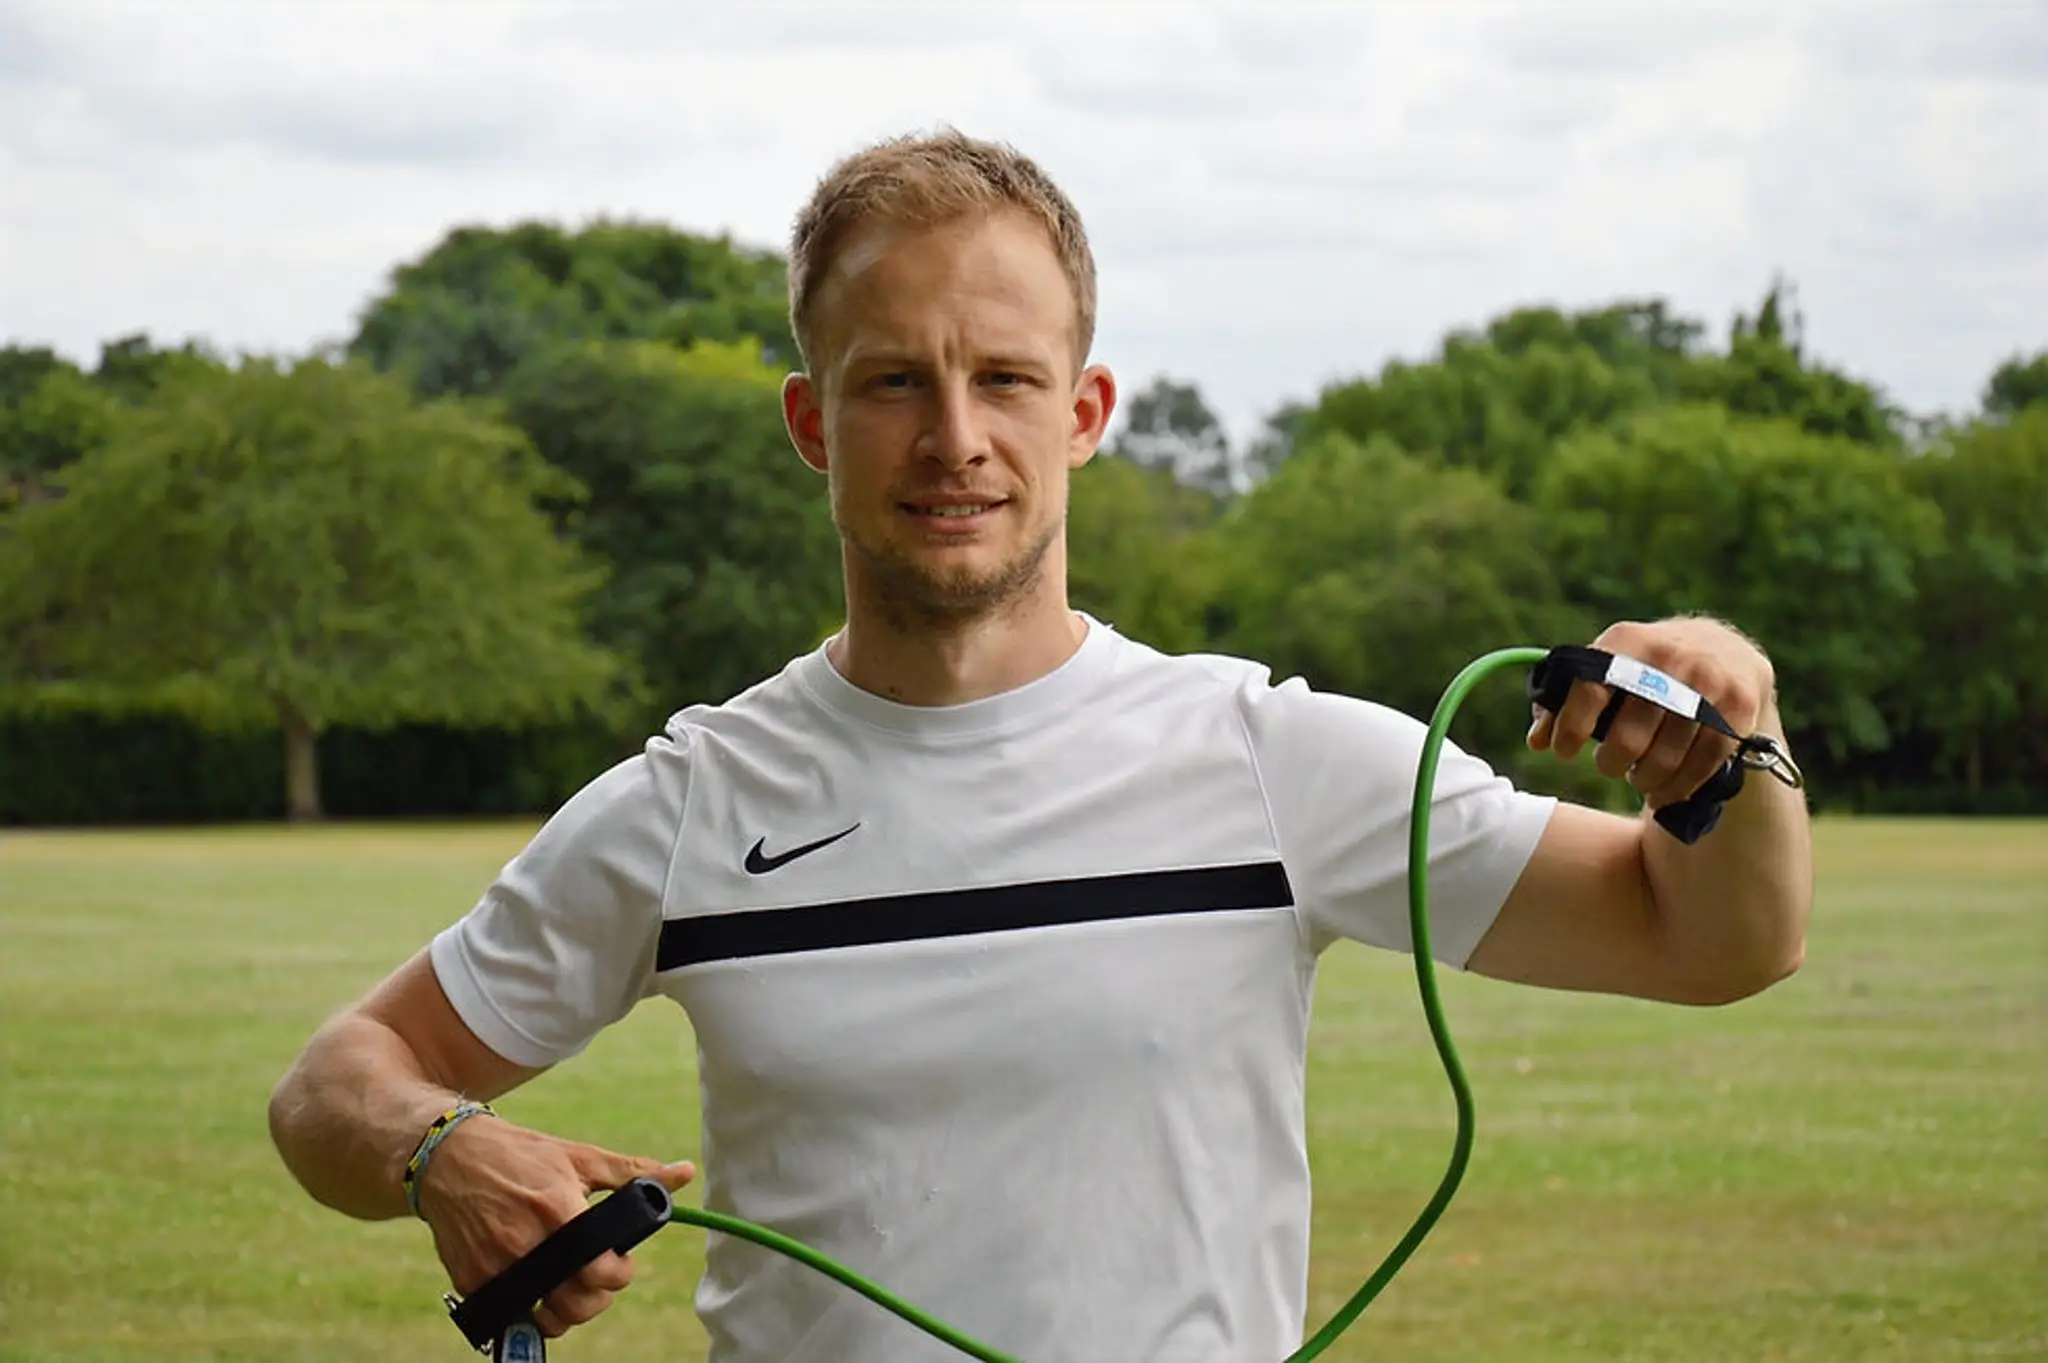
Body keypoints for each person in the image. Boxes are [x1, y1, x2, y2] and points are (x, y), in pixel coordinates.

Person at [267, 128, 1813, 1362]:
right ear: (813, 423)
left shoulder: (1273, 757)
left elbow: (1717, 937)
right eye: (894, 383)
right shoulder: (693, 801)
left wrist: (1735, 719)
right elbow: (335, 1083)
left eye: (1004, 378)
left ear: (1084, 410)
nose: (956, 438)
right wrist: (438, 1152)